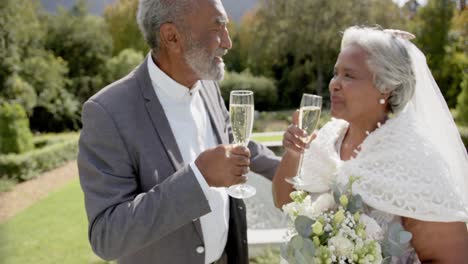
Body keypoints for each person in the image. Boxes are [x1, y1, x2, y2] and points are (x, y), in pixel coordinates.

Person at [77, 0, 279, 263]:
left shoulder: (206, 84)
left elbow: (235, 139)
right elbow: (107, 236)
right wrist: (198, 177)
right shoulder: (107, 112)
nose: (227, 42)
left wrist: (293, 169)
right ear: (172, 37)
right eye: (217, 27)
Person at [272, 26, 468, 263]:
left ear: (386, 86)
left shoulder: (414, 159)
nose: (335, 83)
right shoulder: (328, 138)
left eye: (349, 75)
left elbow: (453, 258)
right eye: (336, 73)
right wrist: (294, 153)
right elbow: (284, 202)